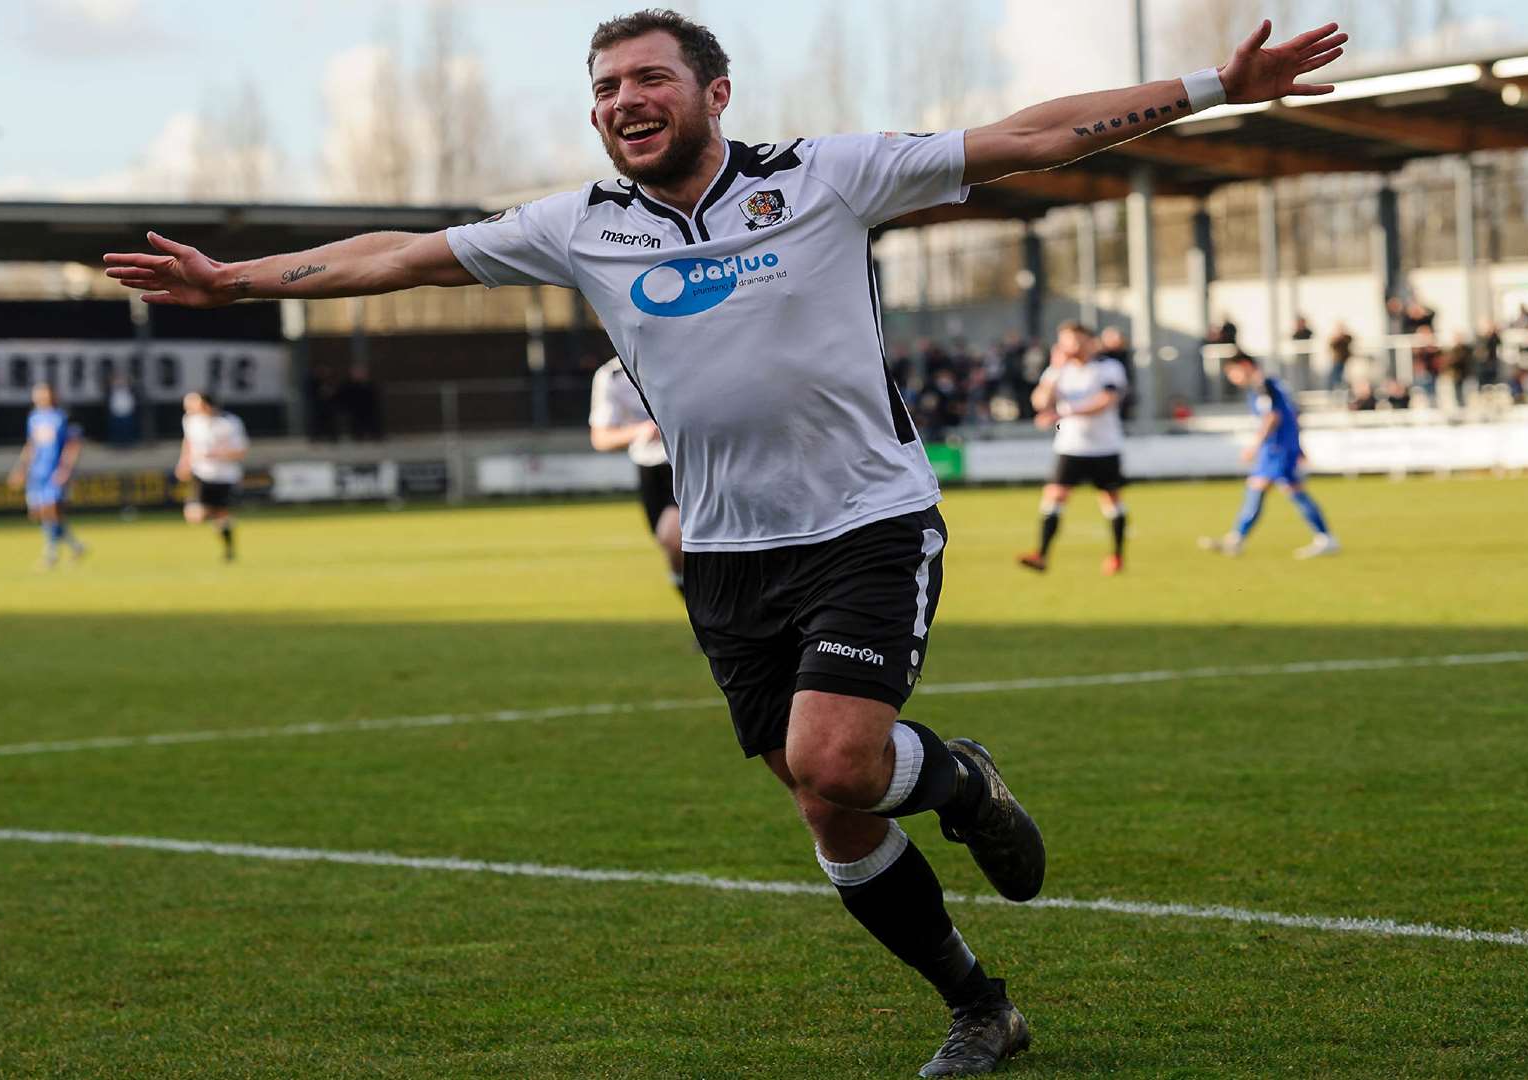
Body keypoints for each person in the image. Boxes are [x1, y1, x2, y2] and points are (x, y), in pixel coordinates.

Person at [104, 11, 1347, 1072]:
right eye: (603, 88)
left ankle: (959, 782)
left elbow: (1024, 136)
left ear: (714, 92)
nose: (623, 102)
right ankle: (982, 1006)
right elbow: (399, 256)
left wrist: (1210, 91)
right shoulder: (576, 223)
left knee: (839, 758)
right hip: (727, 555)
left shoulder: (826, 175)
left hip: (866, 521)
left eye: (648, 79)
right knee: (827, 806)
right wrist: (241, 283)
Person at [1201, 353, 1340, 560]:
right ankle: (1237, 538)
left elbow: (1273, 416)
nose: (1232, 378)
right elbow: (1292, 415)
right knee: (1260, 488)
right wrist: (1298, 446)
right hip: (1280, 449)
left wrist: (1254, 446)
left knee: (1289, 491)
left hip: (1277, 450)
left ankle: (1325, 538)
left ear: (1245, 365)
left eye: (1233, 372)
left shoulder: (1262, 386)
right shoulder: (1273, 384)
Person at [1018, 322, 1131, 576]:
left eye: (1076, 340)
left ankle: (1117, 556)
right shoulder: (1059, 370)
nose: (1071, 346)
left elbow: (1106, 401)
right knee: (1054, 496)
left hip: (1104, 446)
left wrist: (1062, 412)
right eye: (1066, 341)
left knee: (1111, 499)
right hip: (1070, 446)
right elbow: (1039, 402)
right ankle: (1042, 555)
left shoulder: (1108, 367)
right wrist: (1054, 371)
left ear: (1090, 342)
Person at [590, 355, 683, 590]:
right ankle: (685, 589)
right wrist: (639, 431)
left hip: (684, 462)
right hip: (649, 470)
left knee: (672, 535)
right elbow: (601, 438)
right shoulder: (610, 376)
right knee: (670, 543)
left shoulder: (680, 360)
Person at [7, 383, 87, 568]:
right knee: (39, 513)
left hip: (53, 471)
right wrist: (20, 469)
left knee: (50, 510)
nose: (40, 397)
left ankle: (51, 553)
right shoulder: (34, 418)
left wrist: (65, 469)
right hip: (37, 472)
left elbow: (73, 444)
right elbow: (31, 446)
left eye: (44, 393)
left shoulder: (62, 416)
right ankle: (75, 546)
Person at [175, 390, 249, 562]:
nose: (188, 408)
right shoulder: (190, 421)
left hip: (225, 476)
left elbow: (240, 451)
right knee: (195, 516)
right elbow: (189, 442)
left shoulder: (229, 423)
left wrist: (217, 455)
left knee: (221, 515)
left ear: (205, 404)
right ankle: (218, 515)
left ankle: (229, 551)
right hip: (202, 473)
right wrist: (183, 462)